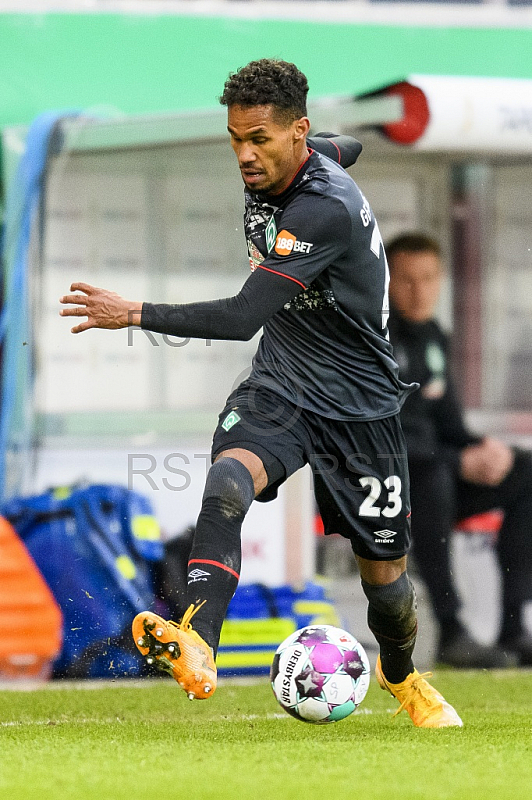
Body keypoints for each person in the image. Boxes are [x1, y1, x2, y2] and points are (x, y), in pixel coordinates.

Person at [60, 59, 462, 728]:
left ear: (296, 132)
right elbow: (348, 146)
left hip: (361, 407)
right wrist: (332, 146)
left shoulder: (321, 208)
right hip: (282, 386)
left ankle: (403, 676)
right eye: (235, 138)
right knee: (226, 481)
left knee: (386, 583)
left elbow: (242, 316)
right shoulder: (309, 152)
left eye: (259, 140)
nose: (244, 155)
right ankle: (198, 642)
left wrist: (131, 312)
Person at [387, 232, 532, 667]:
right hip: (387, 482)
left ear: (441, 280)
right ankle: (452, 632)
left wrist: (484, 450)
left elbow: (447, 423)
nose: (419, 290)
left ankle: (512, 627)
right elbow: (383, 434)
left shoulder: (434, 337)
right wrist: (456, 460)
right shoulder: (372, 338)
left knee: (525, 470)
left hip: (439, 472)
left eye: (428, 278)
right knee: (434, 477)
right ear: (387, 282)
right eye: (407, 279)